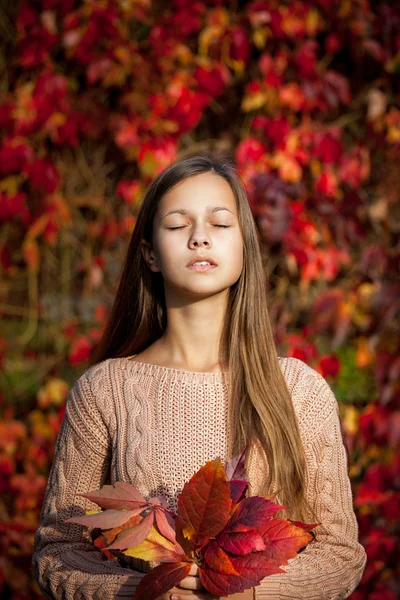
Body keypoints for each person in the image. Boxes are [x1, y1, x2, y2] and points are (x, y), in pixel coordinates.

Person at [32, 153, 367, 600]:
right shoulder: (105, 390)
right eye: (177, 225)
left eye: (220, 223)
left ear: (244, 246)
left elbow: (340, 554)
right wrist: (146, 590)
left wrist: (244, 594)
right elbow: (57, 550)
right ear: (150, 253)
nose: (199, 239)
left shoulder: (299, 392)